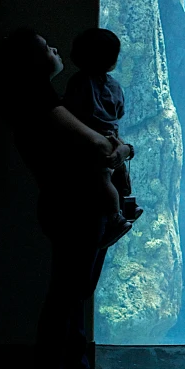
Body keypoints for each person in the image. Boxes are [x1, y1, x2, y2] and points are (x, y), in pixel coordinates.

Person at [0, 27, 134, 369]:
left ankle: (76, 368)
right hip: (72, 208)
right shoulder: (39, 103)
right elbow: (99, 147)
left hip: (79, 206)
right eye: (45, 47)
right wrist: (124, 150)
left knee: (76, 293)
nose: (55, 48)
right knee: (66, 295)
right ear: (30, 62)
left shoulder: (53, 100)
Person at [63, 28, 143, 244]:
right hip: (114, 137)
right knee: (119, 174)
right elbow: (119, 112)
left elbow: (72, 111)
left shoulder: (78, 82)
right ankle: (129, 205)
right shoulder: (115, 86)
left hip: (93, 141)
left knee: (102, 179)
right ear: (112, 62)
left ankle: (117, 218)